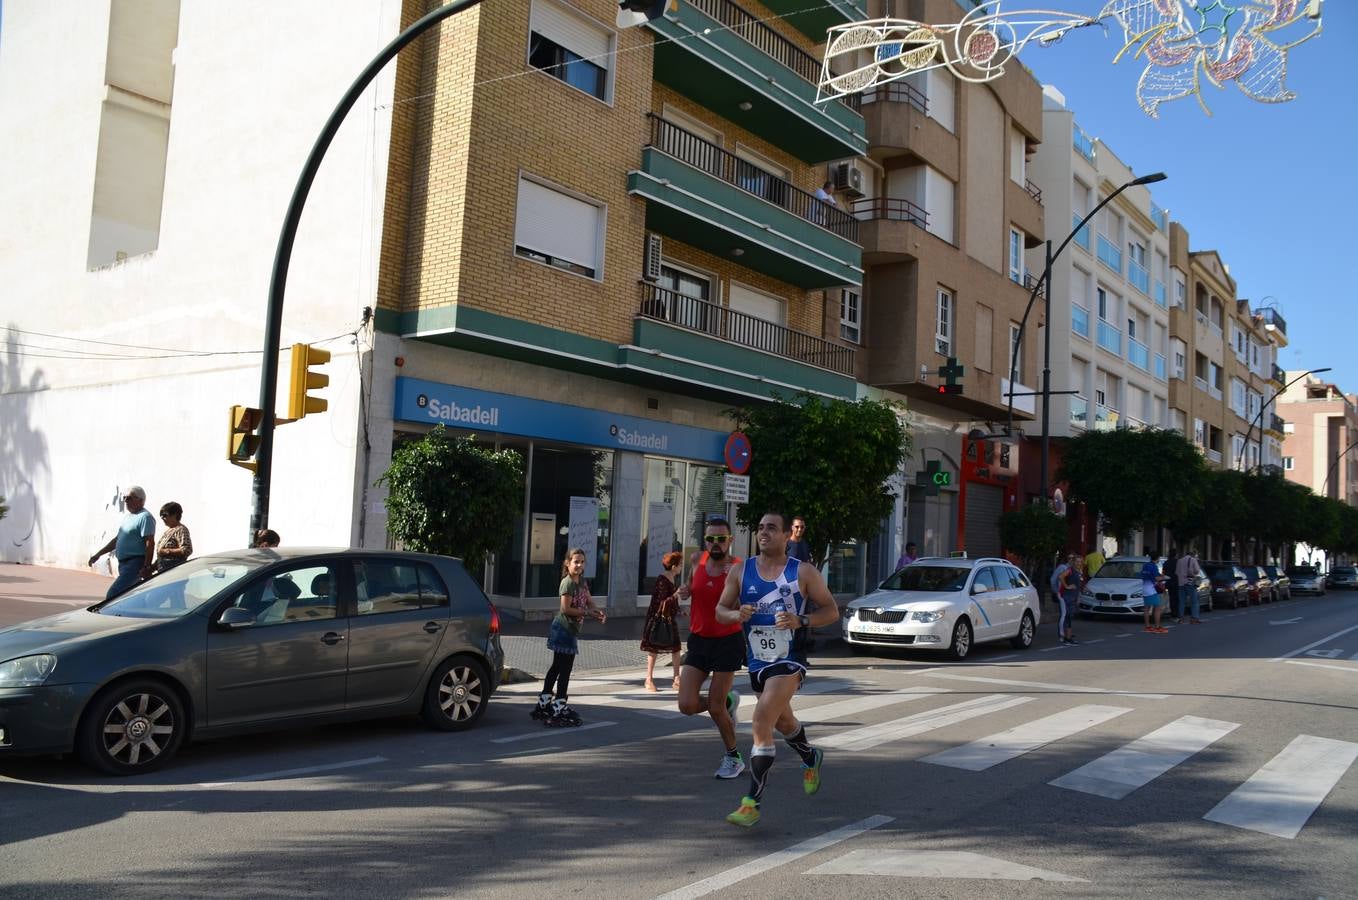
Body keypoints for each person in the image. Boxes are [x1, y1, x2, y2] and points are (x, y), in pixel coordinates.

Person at [716, 511, 839, 828]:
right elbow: (721, 610)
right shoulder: (741, 572)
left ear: (787, 536)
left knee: (761, 719)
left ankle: (751, 803)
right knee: (783, 721)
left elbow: (831, 610)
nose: (764, 533)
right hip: (757, 660)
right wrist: (736, 615)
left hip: (790, 658)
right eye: (760, 528)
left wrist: (803, 620)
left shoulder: (804, 572)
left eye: (772, 528)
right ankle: (811, 758)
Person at [676, 516, 746, 780]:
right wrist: (685, 591)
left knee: (715, 707)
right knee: (686, 704)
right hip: (699, 639)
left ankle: (733, 757)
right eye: (710, 539)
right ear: (704, 540)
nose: (715, 544)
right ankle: (729, 702)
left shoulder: (739, 568)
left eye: (721, 539)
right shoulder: (697, 560)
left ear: (730, 540)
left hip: (728, 640)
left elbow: (745, 602)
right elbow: (693, 586)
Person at [532, 548, 606, 727]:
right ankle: (558, 709)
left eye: (582, 562)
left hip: (570, 630)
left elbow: (589, 601)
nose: (579, 565)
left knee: (557, 667)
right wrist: (588, 613)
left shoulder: (582, 582)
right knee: (564, 670)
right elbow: (565, 609)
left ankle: (543, 705)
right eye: (575, 562)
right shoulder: (567, 583)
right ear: (567, 563)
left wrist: (597, 612)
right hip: (563, 630)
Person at [88, 485, 155, 601]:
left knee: (113, 595)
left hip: (135, 563)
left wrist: (146, 566)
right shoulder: (128, 517)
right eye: (124, 498)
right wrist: (98, 554)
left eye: (129, 498)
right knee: (130, 598)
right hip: (123, 564)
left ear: (140, 500)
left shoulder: (145, 517)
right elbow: (117, 539)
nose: (125, 501)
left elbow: (150, 543)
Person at [642, 551, 684, 692]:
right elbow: (662, 603)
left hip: (669, 618)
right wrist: (677, 594)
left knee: (676, 647)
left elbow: (671, 601)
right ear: (673, 566)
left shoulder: (672, 578)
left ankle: (677, 678)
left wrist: (679, 610)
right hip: (658, 619)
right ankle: (649, 679)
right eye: (680, 565)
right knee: (653, 648)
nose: (681, 567)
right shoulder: (662, 580)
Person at [153, 502, 193, 575]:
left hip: (174, 573)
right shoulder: (168, 531)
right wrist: (152, 567)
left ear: (174, 514)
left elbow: (187, 549)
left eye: (164, 515)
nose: (162, 518)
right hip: (163, 572)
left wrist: (167, 551)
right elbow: (161, 553)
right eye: (161, 515)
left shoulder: (181, 529)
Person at [1055, 553, 1081, 645]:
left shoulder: (1078, 572)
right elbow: (1060, 577)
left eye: (1080, 562)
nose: (1078, 563)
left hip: (1072, 597)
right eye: (1077, 561)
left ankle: (1068, 637)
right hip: (1067, 596)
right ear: (1073, 562)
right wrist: (1067, 586)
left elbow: (1078, 586)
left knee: (1069, 617)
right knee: (1067, 617)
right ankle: (1066, 638)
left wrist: (1078, 597)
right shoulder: (1070, 570)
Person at [1141, 551, 1168, 634]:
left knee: (1146, 608)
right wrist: (1165, 578)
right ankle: (1157, 627)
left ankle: (1147, 626)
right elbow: (1156, 578)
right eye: (1159, 558)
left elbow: (1145, 575)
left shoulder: (1145, 565)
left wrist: (1160, 576)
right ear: (1157, 558)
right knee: (1157, 608)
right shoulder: (1154, 566)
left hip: (1144, 588)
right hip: (1151, 590)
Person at [1175, 546, 1203, 624]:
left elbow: (1177, 573)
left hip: (1180, 583)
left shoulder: (1179, 561)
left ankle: (1180, 618)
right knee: (1194, 601)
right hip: (1190, 583)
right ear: (1192, 555)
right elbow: (1197, 571)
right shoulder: (1193, 560)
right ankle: (1194, 618)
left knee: (1181, 602)